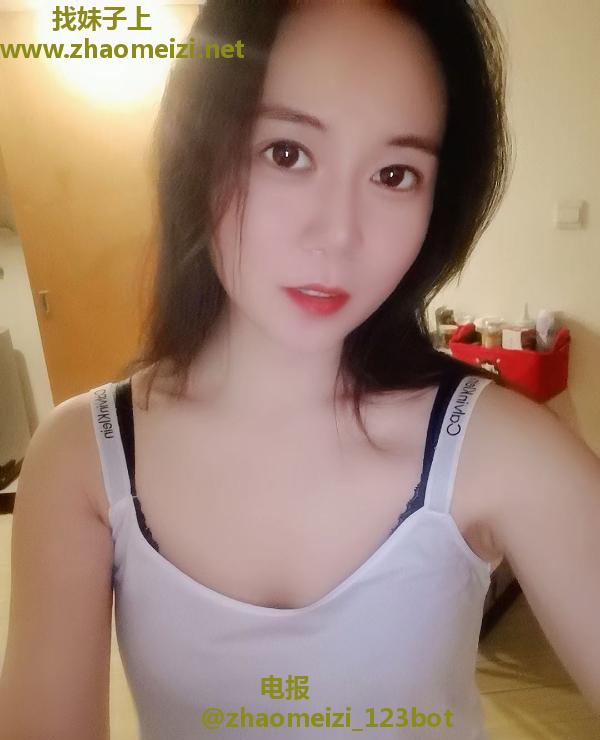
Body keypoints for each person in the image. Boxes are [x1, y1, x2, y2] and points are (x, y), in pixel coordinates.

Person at [1, 0, 599, 738]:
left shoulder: (500, 448)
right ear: (199, 155)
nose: (338, 233)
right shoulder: (82, 461)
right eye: (286, 153)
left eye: (395, 174)